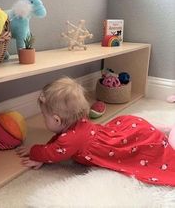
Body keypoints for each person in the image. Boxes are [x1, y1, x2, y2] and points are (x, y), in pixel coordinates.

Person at [16, 76, 175, 186]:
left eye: (44, 115)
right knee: (148, 137)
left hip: (132, 138)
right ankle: (160, 134)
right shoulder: (77, 123)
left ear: (57, 120)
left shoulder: (71, 140)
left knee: (152, 150)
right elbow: (56, 143)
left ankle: (164, 137)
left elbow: (53, 152)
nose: (43, 119)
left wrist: (35, 152)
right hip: (130, 127)